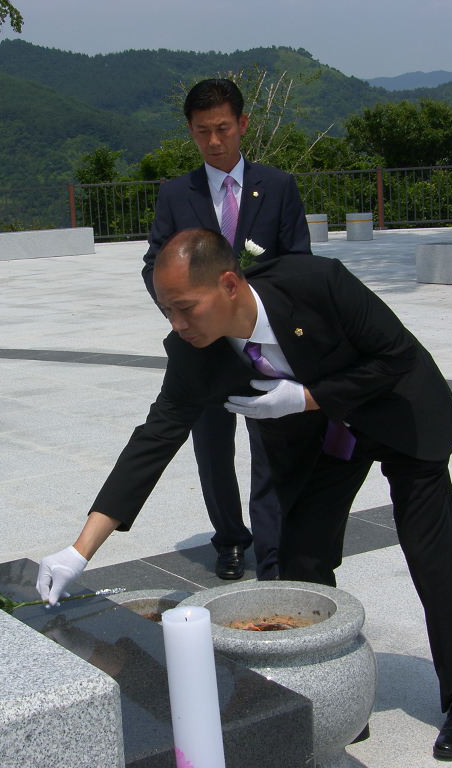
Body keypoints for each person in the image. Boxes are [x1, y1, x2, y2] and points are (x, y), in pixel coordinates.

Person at [38, 228, 452, 761]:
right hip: (329, 439)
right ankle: (331, 691)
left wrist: (307, 397)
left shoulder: (315, 283)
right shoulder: (193, 352)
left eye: (186, 308)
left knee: (430, 551)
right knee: (302, 555)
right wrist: (79, 550)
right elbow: (154, 439)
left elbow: (394, 356)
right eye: (167, 311)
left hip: (399, 414)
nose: (178, 324)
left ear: (229, 284)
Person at [141, 78, 312, 581]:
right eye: (201, 132)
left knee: (270, 447)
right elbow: (154, 262)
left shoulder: (278, 187)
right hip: (205, 350)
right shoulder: (176, 194)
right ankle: (231, 540)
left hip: (264, 344)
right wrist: (184, 315)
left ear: (241, 124)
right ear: (190, 133)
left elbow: (297, 263)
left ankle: (274, 550)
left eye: (222, 128)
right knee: (212, 451)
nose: (214, 142)